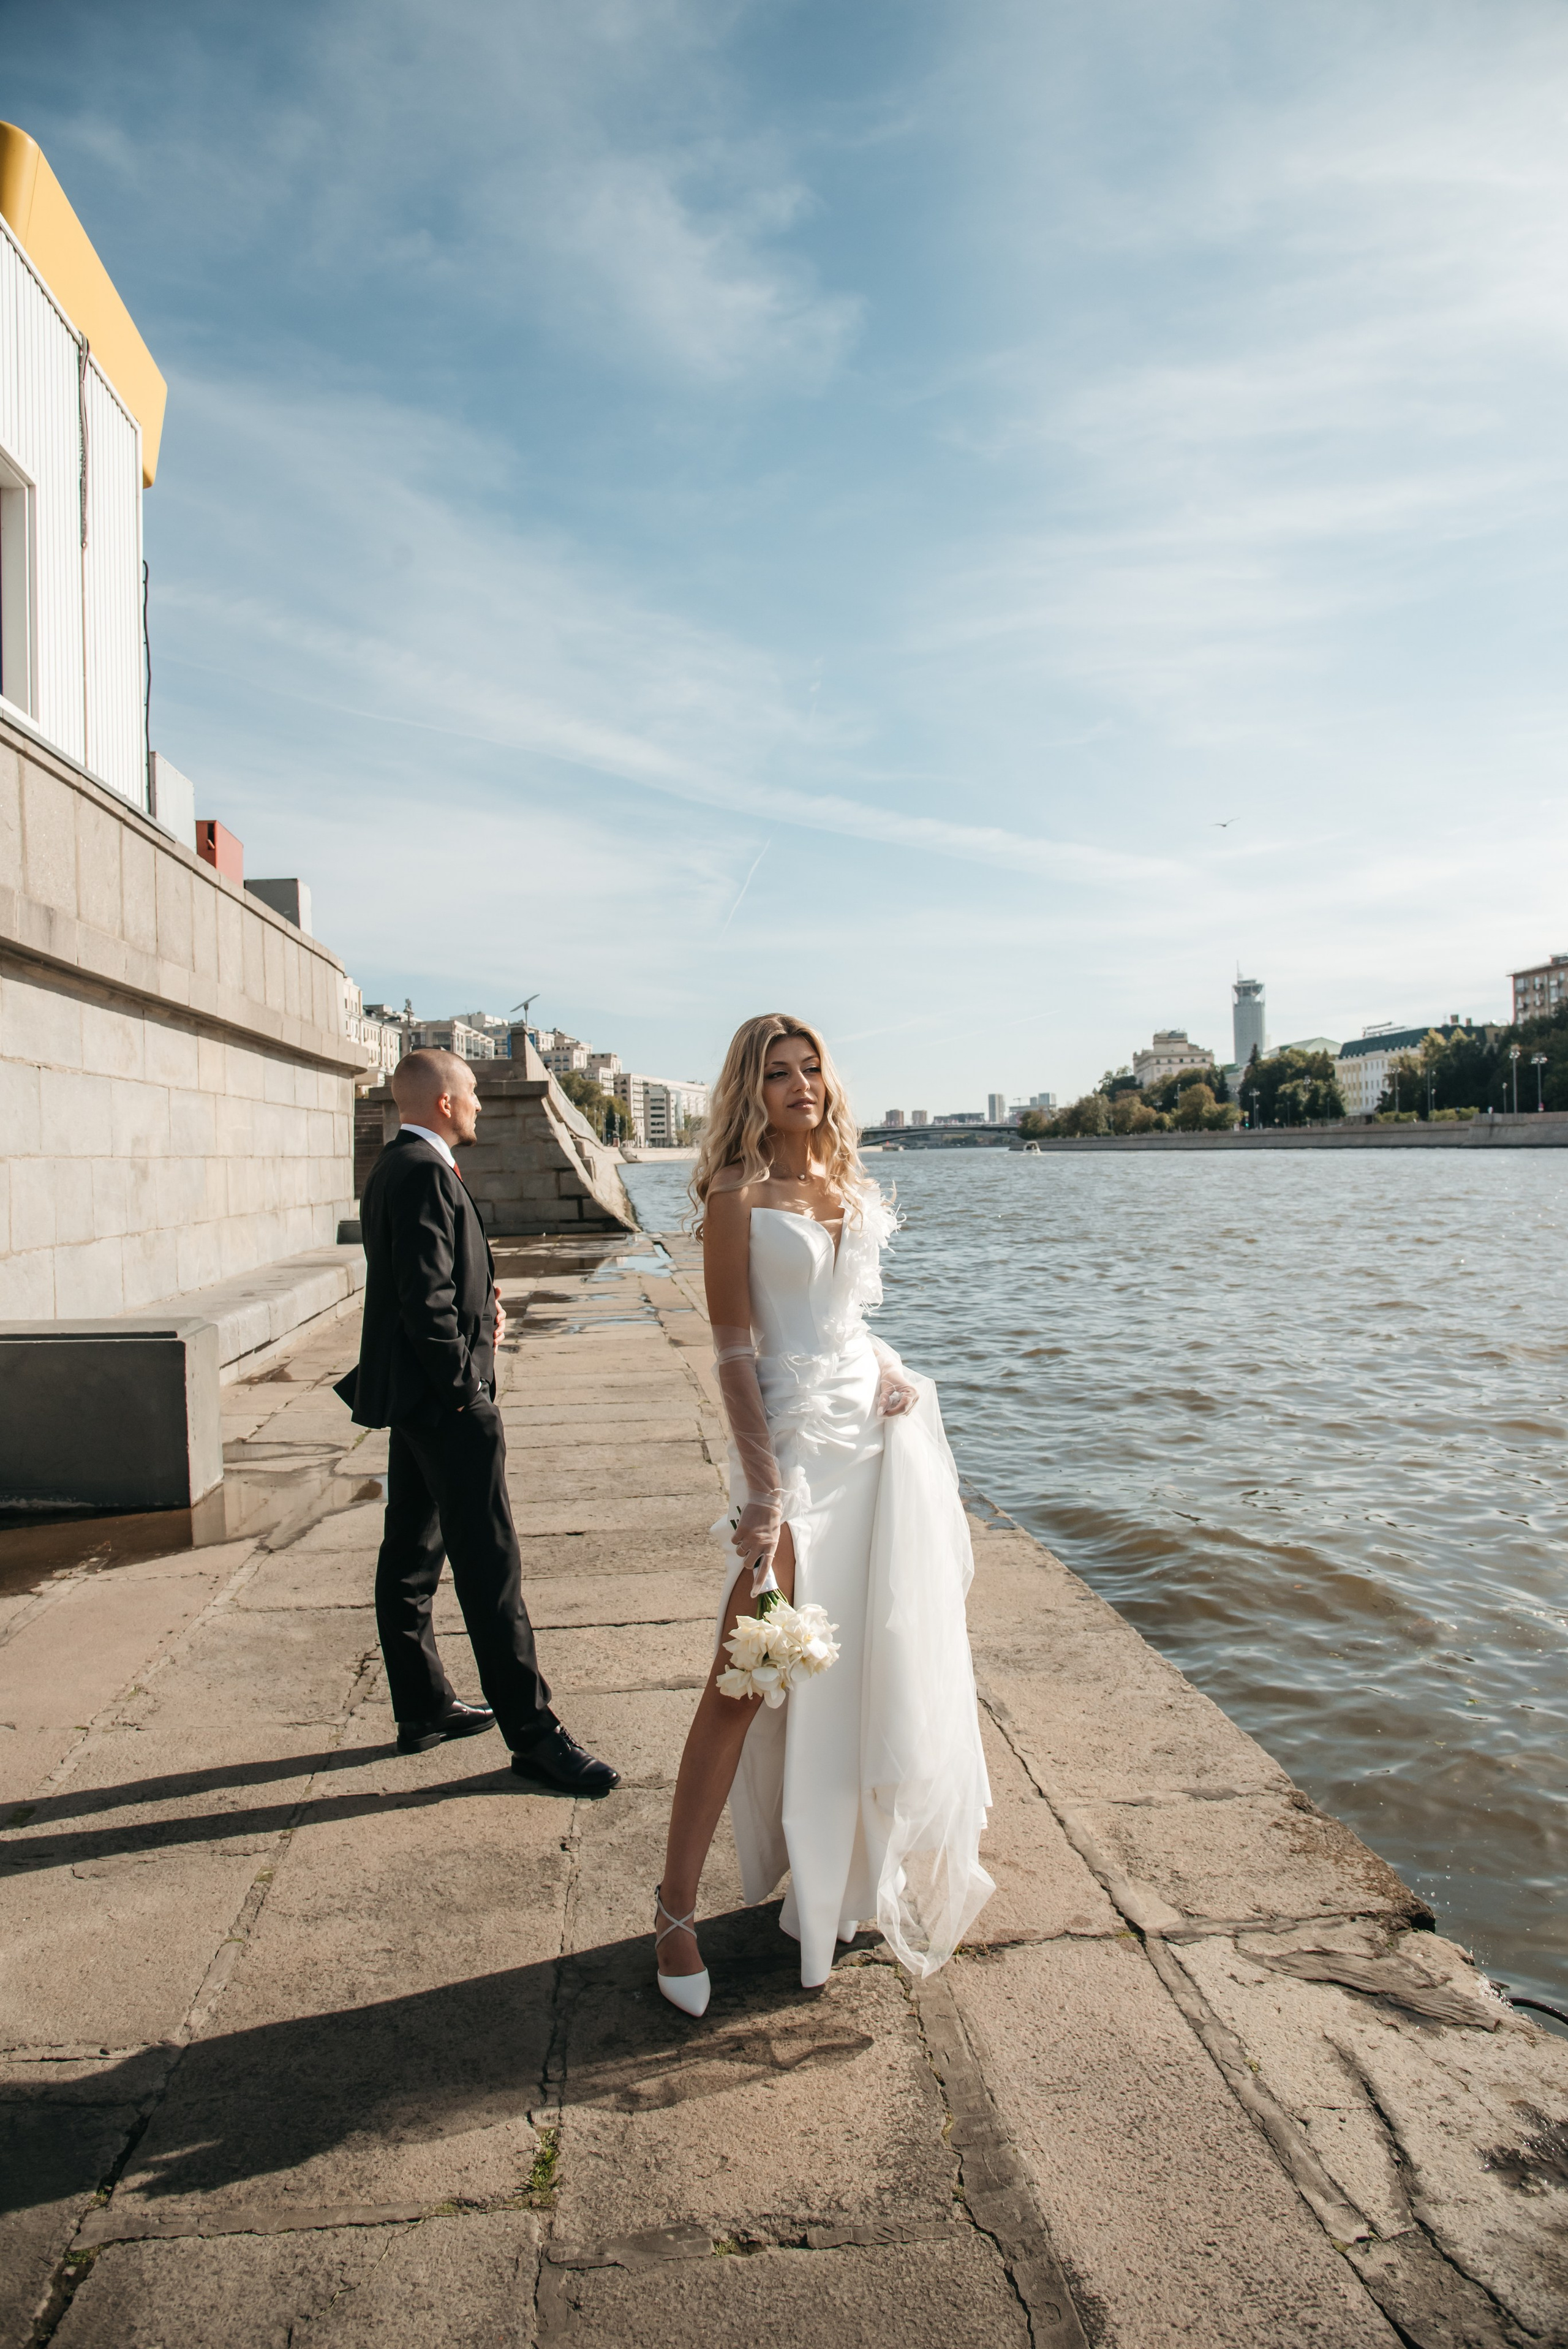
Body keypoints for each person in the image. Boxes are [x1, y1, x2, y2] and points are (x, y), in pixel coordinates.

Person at [652, 1014, 992, 2015]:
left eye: (810, 1069)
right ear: (748, 1092)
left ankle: (842, 1881)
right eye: (776, 1073)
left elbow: (846, 1318)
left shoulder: (849, 1183)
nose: (799, 1085)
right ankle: (673, 1911)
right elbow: (735, 1351)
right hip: (796, 1456)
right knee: (744, 1677)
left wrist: (890, 1372)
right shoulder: (735, 1195)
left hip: (875, 1446)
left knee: (868, 1667)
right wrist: (762, 1493)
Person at [337, 1047, 618, 1796]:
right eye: (470, 1094)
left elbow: (426, 1285)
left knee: (411, 1554)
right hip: (446, 1406)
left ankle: (422, 1704)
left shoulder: (397, 1165)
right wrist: (467, 1392)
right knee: (491, 1572)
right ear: (441, 1103)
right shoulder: (426, 1171)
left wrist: (480, 1311)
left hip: (416, 1400)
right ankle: (533, 1735)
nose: (480, 1107)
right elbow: (423, 1300)